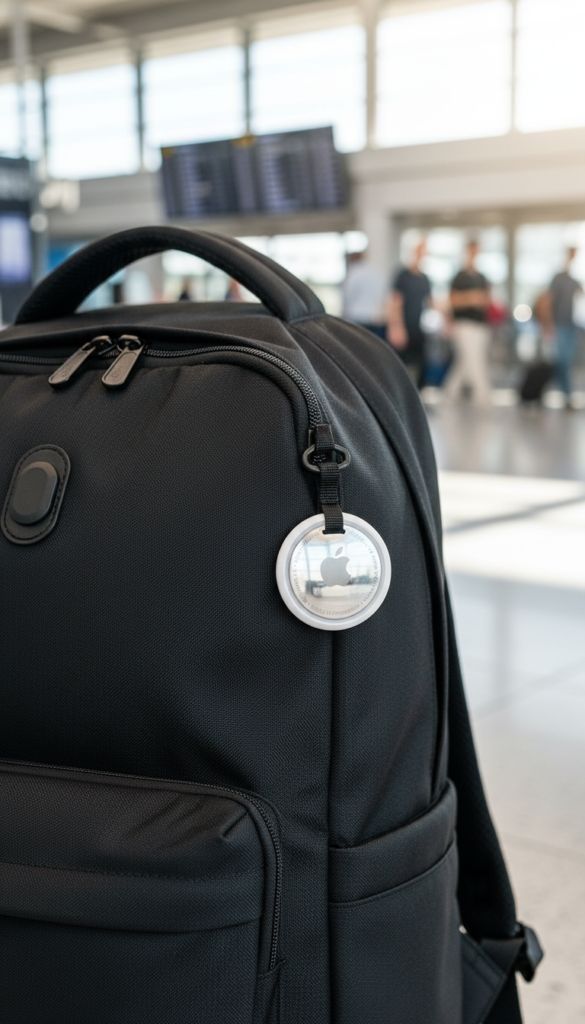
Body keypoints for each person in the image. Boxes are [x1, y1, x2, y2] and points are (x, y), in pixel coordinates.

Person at [443, 240, 492, 406]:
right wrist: (470, 298)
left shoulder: (482, 277)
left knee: (464, 363)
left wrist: (481, 300)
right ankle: (483, 399)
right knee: (474, 362)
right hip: (463, 324)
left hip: (479, 325)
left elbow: (487, 300)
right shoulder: (459, 277)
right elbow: (452, 300)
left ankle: (449, 395)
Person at [387, 238, 431, 385]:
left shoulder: (425, 279)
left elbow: (431, 303)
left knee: (421, 365)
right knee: (400, 367)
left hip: (417, 328)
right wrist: (396, 327)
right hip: (403, 327)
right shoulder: (403, 276)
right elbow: (395, 302)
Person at [549, 247, 582, 408]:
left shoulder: (574, 280)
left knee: (567, 362)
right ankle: (565, 395)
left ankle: (567, 396)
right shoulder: (557, 278)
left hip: (571, 325)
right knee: (561, 361)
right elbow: (548, 300)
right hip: (559, 324)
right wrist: (548, 324)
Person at [342, 250, 387, 339]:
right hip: (374, 318)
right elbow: (382, 294)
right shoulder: (374, 272)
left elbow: (347, 296)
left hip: (357, 319)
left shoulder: (353, 273)